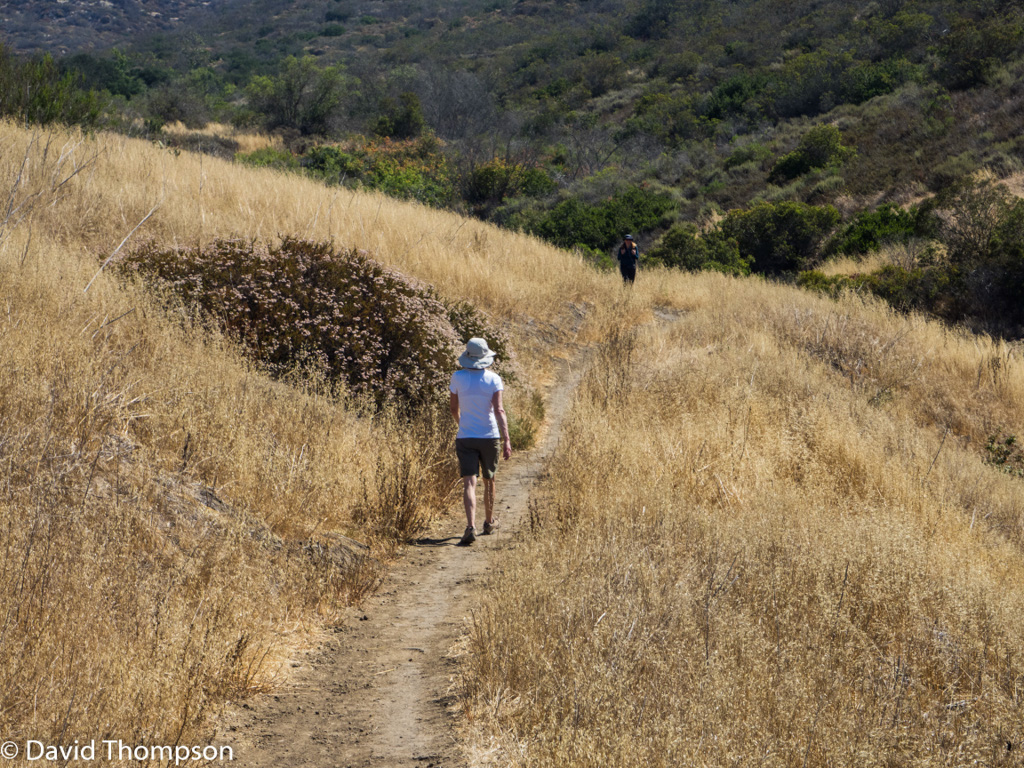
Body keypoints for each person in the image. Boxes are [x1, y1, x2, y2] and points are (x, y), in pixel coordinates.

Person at [449, 338, 512, 546]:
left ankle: (470, 526)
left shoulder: (457, 377)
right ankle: (489, 522)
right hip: (489, 435)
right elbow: (499, 410)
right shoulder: (494, 379)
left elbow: (453, 409)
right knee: (489, 479)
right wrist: (506, 439)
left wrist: (463, 424)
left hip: (466, 435)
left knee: (469, 481)